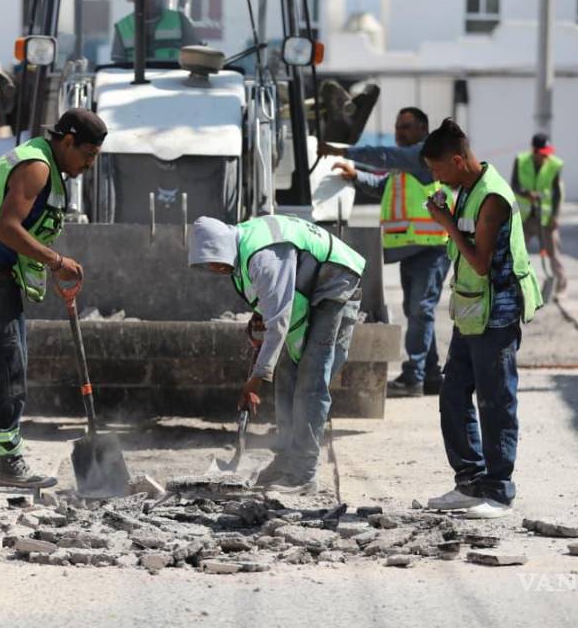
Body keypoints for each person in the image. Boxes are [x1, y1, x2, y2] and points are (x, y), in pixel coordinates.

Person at [0, 108, 107, 488]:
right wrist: (56, 261)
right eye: (86, 155)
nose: (88, 164)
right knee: (5, 367)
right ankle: (8, 462)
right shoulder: (37, 167)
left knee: (8, 362)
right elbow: (7, 229)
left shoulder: (45, 162)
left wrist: (42, 268)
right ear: (66, 141)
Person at [188, 214, 365, 495]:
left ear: (222, 247)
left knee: (311, 380)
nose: (214, 268)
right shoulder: (243, 247)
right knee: (287, 374)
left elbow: (280, 320)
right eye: (207, 264)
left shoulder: (263, 255)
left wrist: (257, 378)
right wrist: (260, 315)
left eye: (215, 260)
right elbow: (273, 301)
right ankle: (286, 459)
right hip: (314, 286)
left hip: (336, 283)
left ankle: (304, 473)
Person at [419, 119, 543, 519]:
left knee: (495, 402)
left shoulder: (493, 197)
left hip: (498, 313)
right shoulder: (468, 190)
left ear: (457, 160)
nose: (436, 178)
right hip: (472, 313)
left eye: (438, 171)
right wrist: (450, 216)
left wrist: (446, 225)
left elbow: (480, 261)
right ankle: (470, 482)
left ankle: (499, 491)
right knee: (453, 394)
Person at [328, 107, 453, 398]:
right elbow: (382, 185)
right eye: (397, 127)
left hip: (431, 247)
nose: (400, 133)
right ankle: (431, 375)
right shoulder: (405, 165)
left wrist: (344, 152)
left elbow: (383, 156)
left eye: (406, 127)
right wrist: (355, 175)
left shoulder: (422, 155)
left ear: (423, 129)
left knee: (420, 311)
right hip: (409, 249)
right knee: (417, 312)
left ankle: (414, 377)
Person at [510, 133, 567, 294]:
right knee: (517, 252)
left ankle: (561, 287)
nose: (545, 158)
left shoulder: (554, 165)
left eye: (547, 154)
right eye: (542, 154)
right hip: (525, 218)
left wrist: (555, 216)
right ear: (534, 151)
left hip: (546, 218)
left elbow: (557, 193)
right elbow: (514, 184)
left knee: (554, 253)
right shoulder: (521, 161)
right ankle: (515, 285)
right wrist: (526, 193)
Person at [110, 0, 201, 63]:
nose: (150, 0)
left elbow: (196, 59)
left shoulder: (180, 21)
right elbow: (118, 67)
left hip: (173, 79)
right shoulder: (122, 27)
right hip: (131, 80)